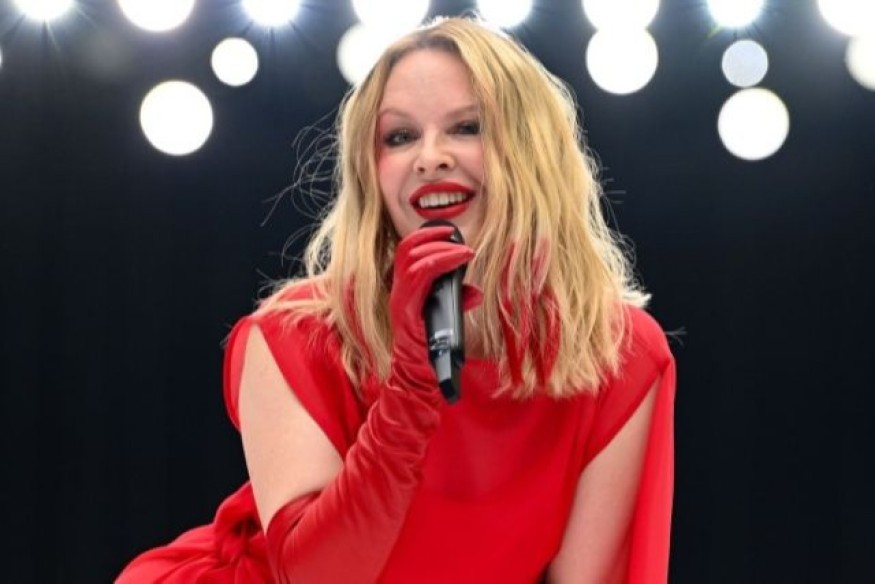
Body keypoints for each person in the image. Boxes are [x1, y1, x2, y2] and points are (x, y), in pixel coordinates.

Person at [118, 16, 676, 584]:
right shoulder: (296, 335)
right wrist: (410, 389)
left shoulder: (619, 352)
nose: (430, 157)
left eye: (467, 127)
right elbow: (316, 578)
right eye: (400, 137)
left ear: (533, 150)